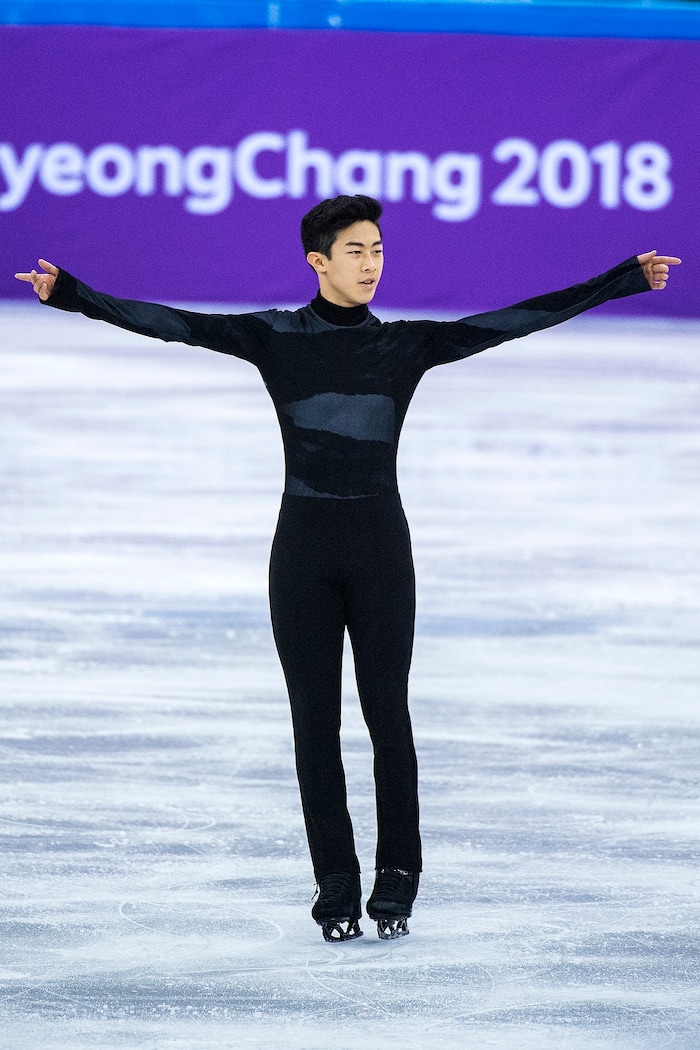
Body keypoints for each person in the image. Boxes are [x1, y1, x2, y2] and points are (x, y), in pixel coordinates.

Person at [15, 195, 680, 942]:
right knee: (314, 725)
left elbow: (512, 321)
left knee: (387, 717)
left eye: (378, 250)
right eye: (355, 251)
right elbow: (179, 325)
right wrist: (73, 295)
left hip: (380, 554)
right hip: (301, 554)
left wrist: (621, 281)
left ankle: (397, 878)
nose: (371, 264)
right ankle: (336, 883)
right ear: (318, 261)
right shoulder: (273, 335)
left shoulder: (405, 346)